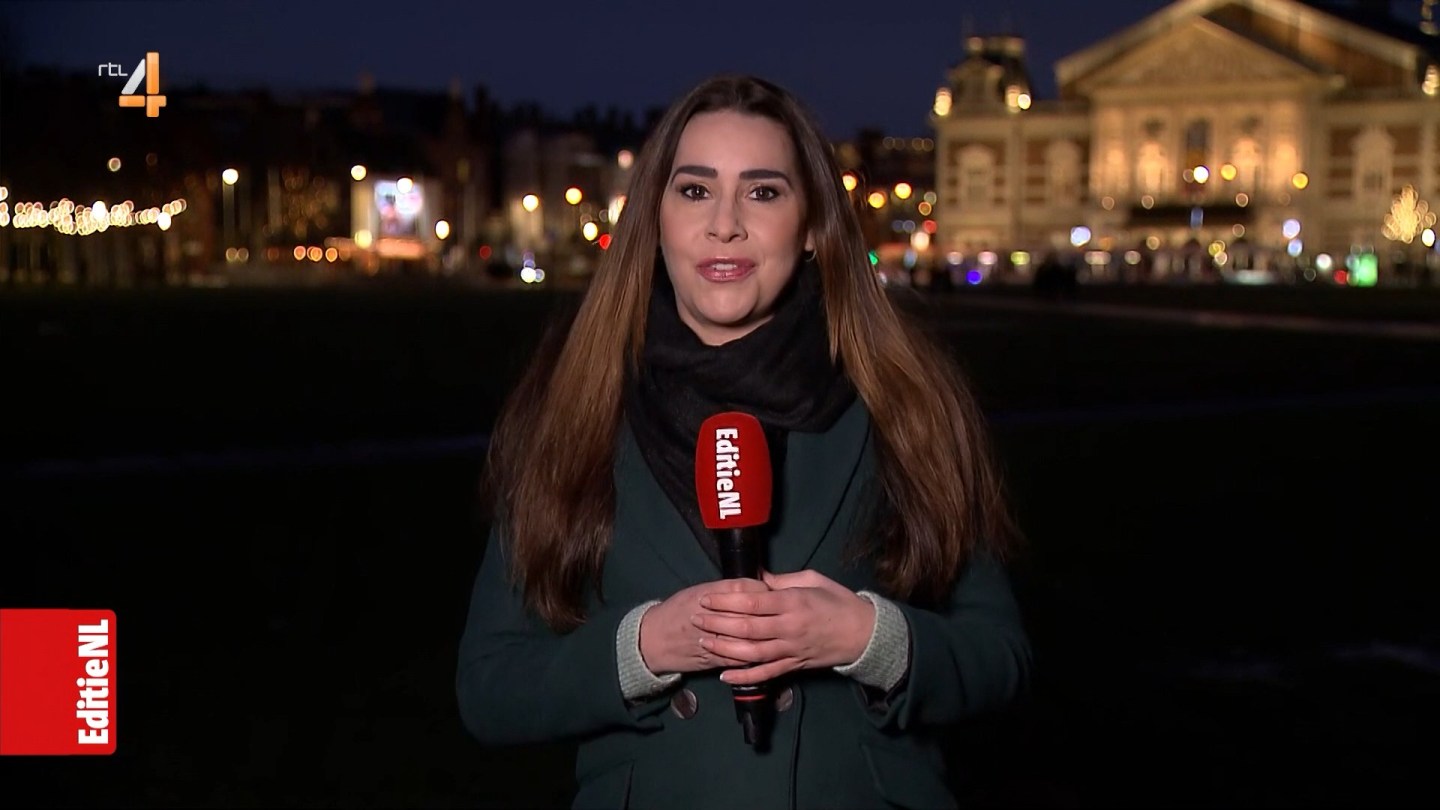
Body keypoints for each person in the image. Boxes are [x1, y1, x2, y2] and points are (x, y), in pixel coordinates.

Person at [456, 74, 1032, 810]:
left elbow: (1001, 658)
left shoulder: (906, 401)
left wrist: (869, 639)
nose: (724, 224)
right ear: (653, 217)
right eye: (695, 190)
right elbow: (490, 687)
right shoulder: (571, 407)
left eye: (763, 192)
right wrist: (641, 651)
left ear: (813, 224)